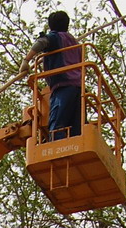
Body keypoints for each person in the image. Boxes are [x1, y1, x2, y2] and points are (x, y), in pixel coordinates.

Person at [24, 10, 83, 140]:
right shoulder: (75, 43)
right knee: (76, 127)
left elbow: (41, 43)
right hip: (78, 88)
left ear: (51, 25)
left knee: (57, 125)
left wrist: (26, 61)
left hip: (63, 86)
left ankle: (57, 148)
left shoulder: (56, 37)